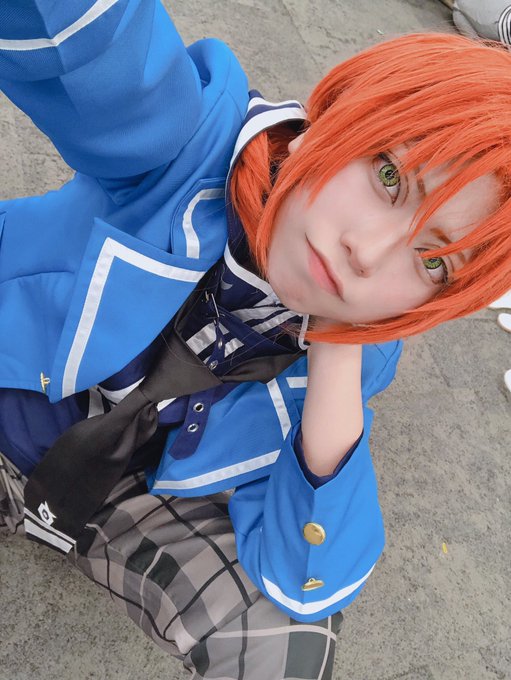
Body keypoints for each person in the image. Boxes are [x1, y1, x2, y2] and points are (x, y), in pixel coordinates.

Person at [1, 2, 511, 679]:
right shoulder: (189, 149)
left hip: (124, 491)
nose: (367, 253)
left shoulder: (364, 357)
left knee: (286, 650)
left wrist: (339, 346)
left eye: (433, 261)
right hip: (14, 377)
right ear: (336, 120)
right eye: (387, 175)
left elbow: (309, 573)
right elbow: (98, 45)